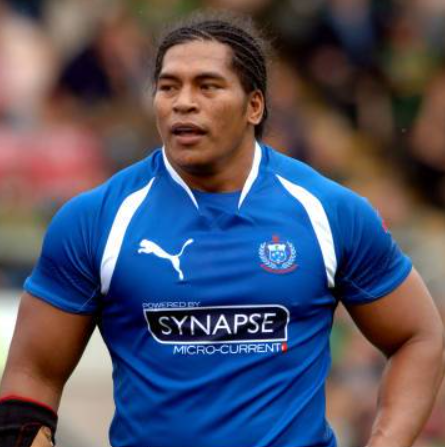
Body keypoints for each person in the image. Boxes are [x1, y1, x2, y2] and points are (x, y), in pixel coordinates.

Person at [0, 11, 444, 447]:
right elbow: (30, 377)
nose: (183, 102)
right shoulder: (95, 219)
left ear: (254, 106)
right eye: (168, 87)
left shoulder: (330, 212)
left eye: (207, 86)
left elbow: (419, 336)